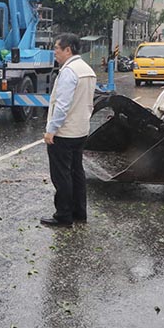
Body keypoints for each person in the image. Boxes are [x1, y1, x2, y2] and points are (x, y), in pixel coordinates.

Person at [41, 33, 96, 227]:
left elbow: (62, 105)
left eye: (57, 48)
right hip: (81, 130)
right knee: (77, 173)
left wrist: (51, 130)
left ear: (68, 50)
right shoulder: (87, 70)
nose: (54, 52)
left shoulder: (69, 71)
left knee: (62, 175)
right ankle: (79, 212)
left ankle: (63, 215)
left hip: (64, 133)